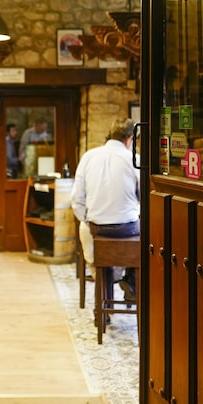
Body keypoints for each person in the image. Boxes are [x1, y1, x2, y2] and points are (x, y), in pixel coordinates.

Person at [71, 117, 140, 301]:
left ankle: (103, 301)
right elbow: (144, 198)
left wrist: (88, 220)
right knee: (147, 236)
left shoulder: (88, 157)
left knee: (90, 237)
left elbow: (76, 199)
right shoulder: (134, 159)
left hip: (97, 228)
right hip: (126, 229)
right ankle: (132, 283)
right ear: (129, 139)